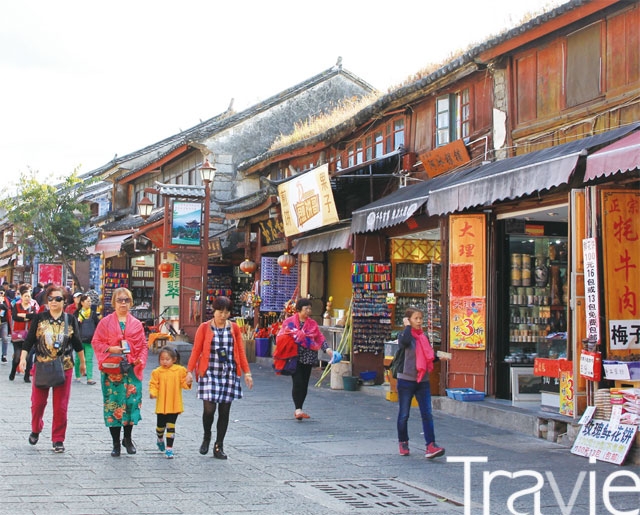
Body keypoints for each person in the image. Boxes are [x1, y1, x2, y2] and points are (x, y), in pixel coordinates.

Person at [17, 284, 86, 453]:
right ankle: (36, 427)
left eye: (58, 299)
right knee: (38, 404)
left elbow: (77, 343)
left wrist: (82, 363)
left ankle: (58, 439)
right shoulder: (40, 318)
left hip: (65, 367)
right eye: (51, 298)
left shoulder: (70, 320)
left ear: (65, 301)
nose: (54, 302)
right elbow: (29, 341)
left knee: (61, 406)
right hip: (42, 365)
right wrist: (23, 359)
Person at [186, 296, 253, 459]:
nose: (223, 315)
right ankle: (207, 435)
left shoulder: (234, 328)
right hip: (209, 372)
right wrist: (189, 371)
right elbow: (196, 350)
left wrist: (247, 372)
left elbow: (240, 351)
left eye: (226, 312)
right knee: (209, 409)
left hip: (228, 373)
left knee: (224, 411)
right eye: (220, 312)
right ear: (214, 311)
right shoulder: (204, 327)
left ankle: (219, 445)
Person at [91, 287, 148, 457]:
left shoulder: (137, 324)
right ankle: (116, 443)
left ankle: (128, 438)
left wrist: (140, 360)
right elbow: (96, 342)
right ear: (113, 302)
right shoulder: (105, 322)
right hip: (112, 371)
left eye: (126, 300)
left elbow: (143, 346)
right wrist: (111, 349)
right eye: (120, 300)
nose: (123, 303)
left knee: (130, 404)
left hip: (131, 369)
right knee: (114, 404)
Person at [396, 307, 450, 459]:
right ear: (408, 320)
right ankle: (403, 442)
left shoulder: (423, 337)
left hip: (423, 381)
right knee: (404, 414)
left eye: (421, 318)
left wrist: (442, 356)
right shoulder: (404, 335)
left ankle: (431, 445)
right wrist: (407, 326)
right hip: (406, 380)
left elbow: (429, 355)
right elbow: (405, 342)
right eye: (416, 318)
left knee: (427, 414)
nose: (419, 321)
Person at [277, 298, 333, 420]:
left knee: (304, 384)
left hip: (308, 357)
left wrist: (327, 350)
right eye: (306, 308)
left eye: (310, 308)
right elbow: (281, 335)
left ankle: (300, 408)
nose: (309, 311)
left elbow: (319, 338)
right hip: (294, 356)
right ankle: (298, 410)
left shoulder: (312, 324)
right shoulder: (289, 322)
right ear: (298, 310)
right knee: (298, 382)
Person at [149, 346, 192, 459]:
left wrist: (188, 382)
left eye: (167, 359)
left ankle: (169, 448)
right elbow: (154, 384)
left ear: (174, 359)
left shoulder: (180, 370)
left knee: (171, 426)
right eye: (162, 359)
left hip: (174, 404)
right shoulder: (157, 372)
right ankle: (160, 438)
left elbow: (184, 384)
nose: (164, 361)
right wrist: (153, 393)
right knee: (160, 427)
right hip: (162, 404)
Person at [10, 284, 39, 382]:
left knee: (29, 356)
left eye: (29, 296)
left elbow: (34, 316)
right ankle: (13, 370)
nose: (27, 298)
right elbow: (15, 317)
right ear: (21, 297)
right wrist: (27, 317)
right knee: (17, 356)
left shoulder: (33, 306)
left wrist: (23, 315)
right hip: (18, 334)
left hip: (29, 334)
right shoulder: (17, 305)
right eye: (25, 296)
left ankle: (26, 376)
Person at [74, 294, 99, 385]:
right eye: (88, 301)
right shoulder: (77, 313)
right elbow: (73, 326)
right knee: (78, 359)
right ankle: (77, 375)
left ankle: (90, 378)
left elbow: (98, 325)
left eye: (90, 301)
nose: (90, 303)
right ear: (82, 303)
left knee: (89, 359)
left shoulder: (92, 314)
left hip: (90, 340)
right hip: (79, 340)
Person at [0, 289, 12, 363]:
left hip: (4, 322)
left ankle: (4, 355)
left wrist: (1, 302)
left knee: (5, 338)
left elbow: (7, 308)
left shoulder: (6, 300)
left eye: (2, 292)